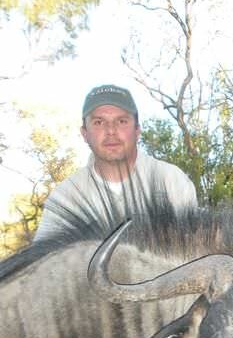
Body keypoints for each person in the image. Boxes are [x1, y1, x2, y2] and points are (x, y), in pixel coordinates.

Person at [34, 84, 198, 241]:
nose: (111, 131)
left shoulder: (171, 181)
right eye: (99, 122)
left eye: (122, 121)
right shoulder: (65, 198)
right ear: (84, 133)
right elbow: (47, 265)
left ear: (137, 131)